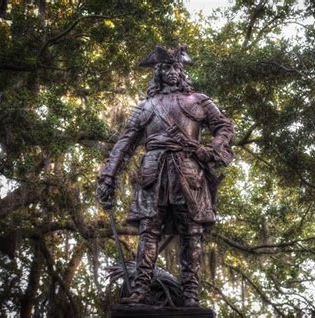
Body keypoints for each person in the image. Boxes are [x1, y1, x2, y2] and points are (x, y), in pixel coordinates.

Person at [96, 45, 234, 307]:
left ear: (182, 72)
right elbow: (124, 143)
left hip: (189, 171)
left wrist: (212, 150)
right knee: (149, 232)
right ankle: (140, 290)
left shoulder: (199, 100)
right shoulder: (146, 106)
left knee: (191, 233)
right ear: (158, 73)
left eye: (176, 68)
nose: (172, 72)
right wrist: (107, 177)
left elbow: (224, 127)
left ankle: (191, 293)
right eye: (166, 68)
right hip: (153, 171)